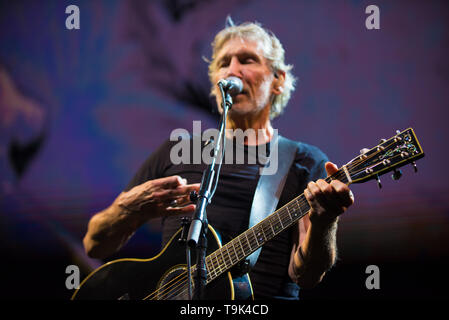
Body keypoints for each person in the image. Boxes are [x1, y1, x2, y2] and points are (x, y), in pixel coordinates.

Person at [83, 20, 354, 300]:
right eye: (224, 63)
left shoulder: (304, 161)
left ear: (278, 80)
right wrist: (129, 209)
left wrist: (325, 222)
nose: (232, 71)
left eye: (247, 60)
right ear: (215, 85)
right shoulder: (178, 149)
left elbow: (307, 275)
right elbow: (95, 244)